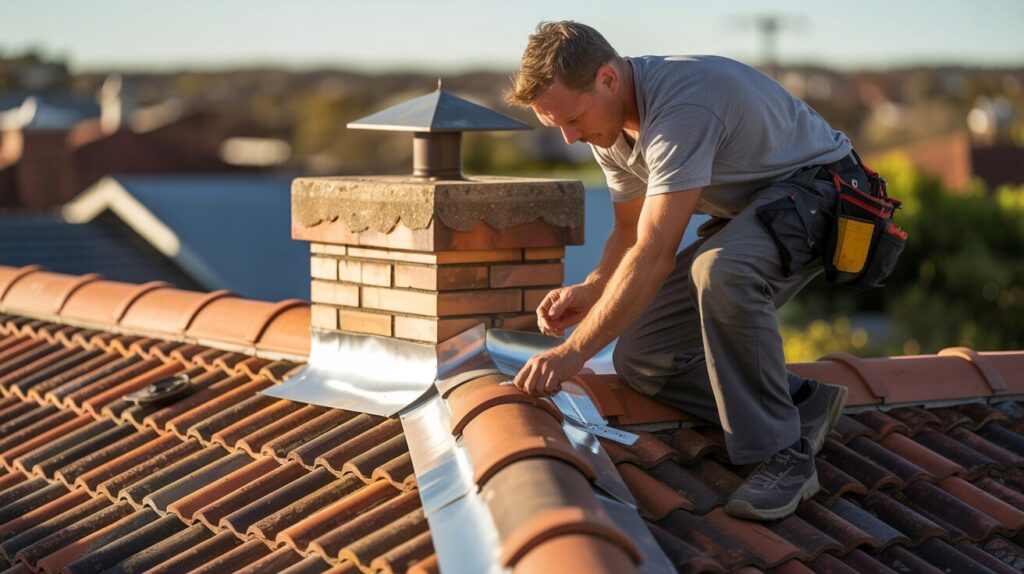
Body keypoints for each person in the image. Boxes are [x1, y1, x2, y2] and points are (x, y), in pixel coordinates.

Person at [507, 21, 859, 521]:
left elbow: (653, 253)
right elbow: (628, 233)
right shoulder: (606, 127)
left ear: (607, 79)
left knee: (721, 270)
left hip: (823, 194)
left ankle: (782, 455)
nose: (570, 137)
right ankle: (803, 402)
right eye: (558, 127)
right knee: (644, 357)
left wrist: (572, 352)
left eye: (573, 120)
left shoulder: (681, 109)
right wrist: (592, 287)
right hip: (758, 213)